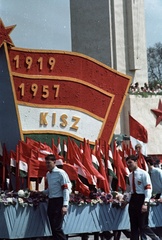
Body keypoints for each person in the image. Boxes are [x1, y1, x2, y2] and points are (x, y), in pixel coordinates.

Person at [125, 155, 160, 240]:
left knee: (143, 225)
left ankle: (156, 238)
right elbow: (129, 191)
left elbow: (148, 188)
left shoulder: (144, 173)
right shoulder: (129, 176)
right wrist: (126, 199)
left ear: (135, 162)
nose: (128, 165)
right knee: (133, 225)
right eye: (127, 163)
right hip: (133, 200)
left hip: (142, 199)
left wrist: (145, 202)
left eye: (130, 162)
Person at [42, 154, 70, 240]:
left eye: (49, 163)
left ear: (54, 162)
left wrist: (65, 205)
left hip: (59, 201)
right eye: (46, 163)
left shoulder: (61, 173)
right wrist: (41, 192)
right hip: (51, 201)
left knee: (57, 227)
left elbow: (65, 189)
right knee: (52, 228)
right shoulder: (48, 174)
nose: (47, 165)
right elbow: (50, 189)